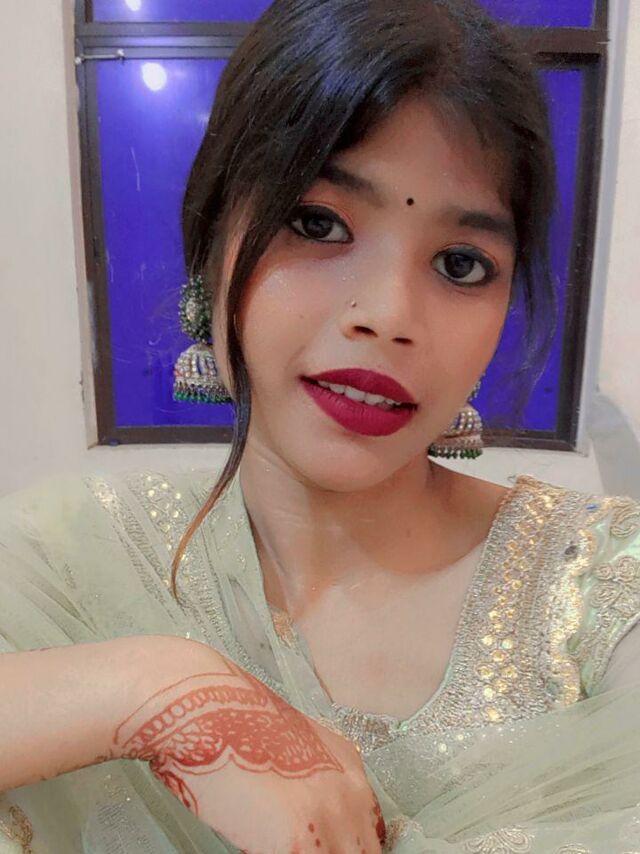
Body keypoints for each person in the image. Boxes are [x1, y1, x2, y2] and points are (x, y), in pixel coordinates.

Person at [1, 0, 640, 851]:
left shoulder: (603, 587)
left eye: (460, 264)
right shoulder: (69, 562)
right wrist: (159, 691)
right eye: (318, 223)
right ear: (211, 244)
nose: (388, 315)